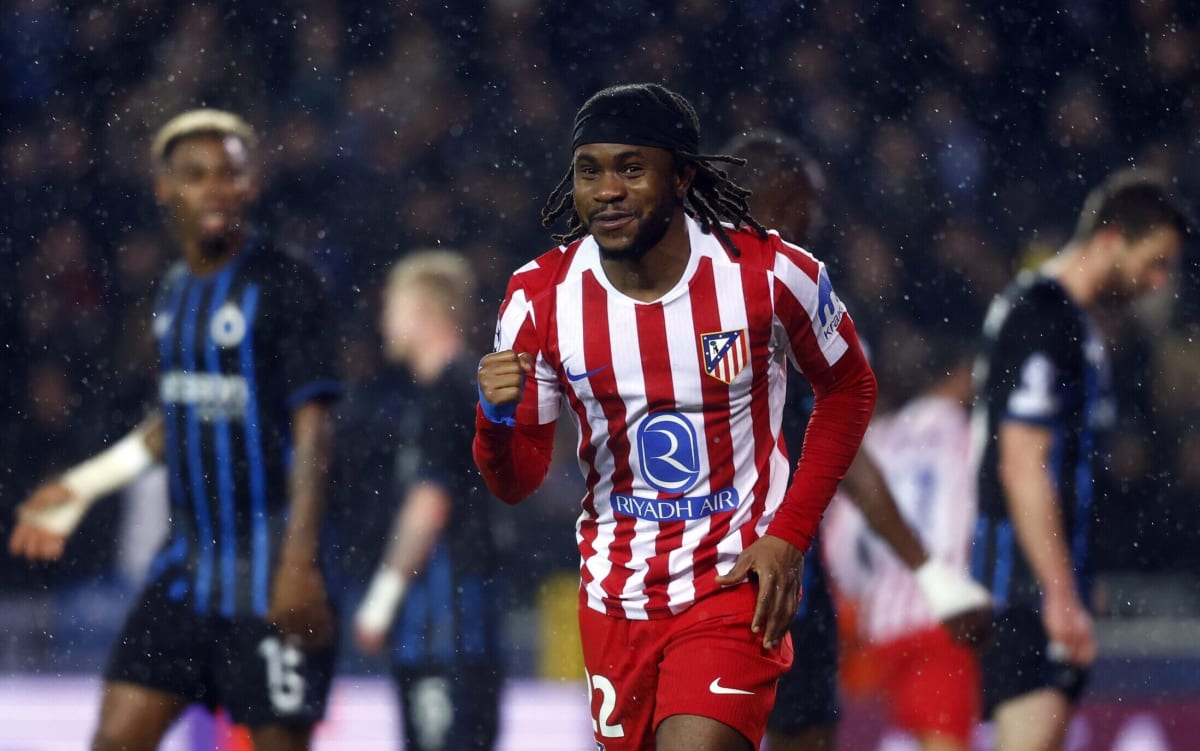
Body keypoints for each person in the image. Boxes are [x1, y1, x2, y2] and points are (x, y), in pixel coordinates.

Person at [473, 82, 878, 751]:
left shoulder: (771, 273)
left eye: (631, 168)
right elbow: (516, 479)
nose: (607, 189)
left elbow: (849, 388)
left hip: (730, 583)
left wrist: (787, 534)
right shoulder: (539, 298)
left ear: (682, 175)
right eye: (589, 170)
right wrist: (494, 416)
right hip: (615, 596)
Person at [8, 109, 342, 751]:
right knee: (113, 739)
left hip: (272, 568)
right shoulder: (173, 292)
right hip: (186, 570)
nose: (215, 189)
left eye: (229, 175)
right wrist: (82, 484)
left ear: (250, 186)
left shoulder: (287, 283)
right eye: (196, 176)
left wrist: (300, 562)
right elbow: (178, 420)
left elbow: (316, 428)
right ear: (165, 188)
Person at [723, 129, 990, 751]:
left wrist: (930, 574)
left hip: (785, 572)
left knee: (804, 731)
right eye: (804, 205)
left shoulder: (801, 299)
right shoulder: (718, 298)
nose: (814, 221)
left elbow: (842, 447)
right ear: (776, 201)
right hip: (723, 566)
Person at [971, 169, 1188, 750]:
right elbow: (1021, 462)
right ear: (1112, 239)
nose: (1158, 279)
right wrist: (1059, 590)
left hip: (1038, 583)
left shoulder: (1069, 321)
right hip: (1023, 589)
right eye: (1156, 260)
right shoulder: (1043, 316)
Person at [352, 250, 503, 751]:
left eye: (391, 306)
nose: (383, 321)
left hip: (446, 626)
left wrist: (379, 603)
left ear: (422, 311)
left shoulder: (450, 389)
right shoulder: (462, 386)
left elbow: (429, 503)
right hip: (460, 622)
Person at [822, 341, 982, 751]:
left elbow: (840, 551)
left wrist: (871, 593)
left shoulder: (874, 442)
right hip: (947, 613)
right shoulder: (966, 434)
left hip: (885, 625)